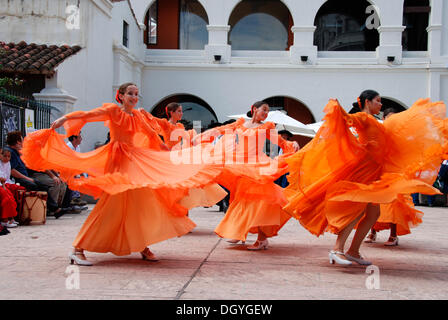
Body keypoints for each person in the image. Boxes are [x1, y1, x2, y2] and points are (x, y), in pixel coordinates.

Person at [21, 82, 223, 266]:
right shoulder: (112, 111)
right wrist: (65, 118)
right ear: (121, 96)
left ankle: (142, 246)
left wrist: (171, 153)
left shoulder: (138, 116)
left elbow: (152, 136)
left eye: (136, 94)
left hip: (135, 160)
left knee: (142, 201)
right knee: (110, 206)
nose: (134, 97)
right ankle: (78, 248)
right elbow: (88, 115)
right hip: (117, 161)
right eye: (130, 94)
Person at [283, 90, 445, 266]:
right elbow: (348, 119)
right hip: (365, 169)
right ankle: (337, 249)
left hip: (375, 170)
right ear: (367, 102)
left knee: (373, 213)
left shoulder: (375, 120)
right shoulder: (363, 117)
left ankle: (353, 251)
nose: (380, 104)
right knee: (357, 208)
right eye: (377, 101)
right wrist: (337, 109)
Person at [196, 101, 299, 250]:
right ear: (254, 109)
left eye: (267, 111)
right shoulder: (241, 123)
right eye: (264, 109)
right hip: (240, 163)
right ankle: (238, 232)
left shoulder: (267, 127)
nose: (266, 113)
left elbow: (281, 142)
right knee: (242, 199)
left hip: (258, 165)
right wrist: (205, 135)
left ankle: (262, 239)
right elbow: (224, 129)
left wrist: (293, 143)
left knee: (262, 200)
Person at [0, 148, 20, 228]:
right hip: (2, 184)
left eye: (9, 156)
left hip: (5, 182)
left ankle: (12, 217)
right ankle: (4, 220)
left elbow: (7, 177)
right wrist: (4, 186)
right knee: (7, 196)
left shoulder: (8, 163)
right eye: (5, 156)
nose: (7, 158)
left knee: (17, 190)